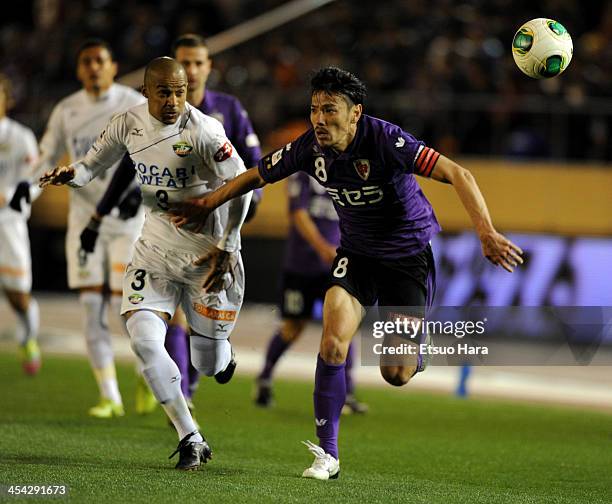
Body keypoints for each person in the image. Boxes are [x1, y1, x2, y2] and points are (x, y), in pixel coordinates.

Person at [168, 67, 524, 479]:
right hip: (356, 255)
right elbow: (256, 175)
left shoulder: (386, 139)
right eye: (314, 109)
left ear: (355, 113)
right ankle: (328, 454)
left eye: (329, 110)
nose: (319, 119)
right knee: (333, 341)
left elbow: (459, 174)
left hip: (408, 259)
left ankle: (414, 347)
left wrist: (486, 232)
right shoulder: (308, 148)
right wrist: (208, 202)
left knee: (396, 373)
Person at [39, 57, 251, 471]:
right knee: (143, 341)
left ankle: (222, 361)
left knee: (205, 364)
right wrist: (70, 174)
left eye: (180, 91)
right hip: (153, 251)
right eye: (164, 92)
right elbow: (91, 167)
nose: (173, 101)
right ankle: (190, 435)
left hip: (208, 258)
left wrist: (228, 243)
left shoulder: (205, 130)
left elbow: (242, 184)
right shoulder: (127, 124)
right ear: (146, 92)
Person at [84, 33, 263, 418]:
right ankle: (183, 397)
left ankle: (210, 362)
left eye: (198, 64)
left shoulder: (222, 115)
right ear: (152, 86)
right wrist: (109, 206)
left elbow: (250, 169)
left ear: (207, 68)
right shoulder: (139, 122)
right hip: (161, 243)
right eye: (186, 63)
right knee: (160, 319)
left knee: (209, 358)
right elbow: (127, 165)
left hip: (211, 238)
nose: (192, 72)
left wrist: (237, 223)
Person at [10, 39, 147, 418]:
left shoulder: (131, 105)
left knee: (130, 309)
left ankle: (146, 371)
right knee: (91, 307)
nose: (93, 67)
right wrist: (29, 189)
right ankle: (109, 396)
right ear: (78, 69)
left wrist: (141, 193)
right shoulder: (66, 110)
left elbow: (150, 153)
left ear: (114, 65)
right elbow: (47, 156)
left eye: (100, 60)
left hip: (126, 221)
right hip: (83, 221)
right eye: (86, 61)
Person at [254, 171, 366, 415]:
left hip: (339, 266)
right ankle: (265, 376)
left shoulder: (351, 172)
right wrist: (323, 247)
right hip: (302, 265)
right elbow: (298, 214)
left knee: (345, 324)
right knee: (294, 325)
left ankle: (346, 392)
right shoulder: (303, 172)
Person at [0, 74, 41, 375]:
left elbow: (34, 181)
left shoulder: (20, 136)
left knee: (18, 296)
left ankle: (28, 338)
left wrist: (7, 196)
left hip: (8, 225)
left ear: (7, 99)